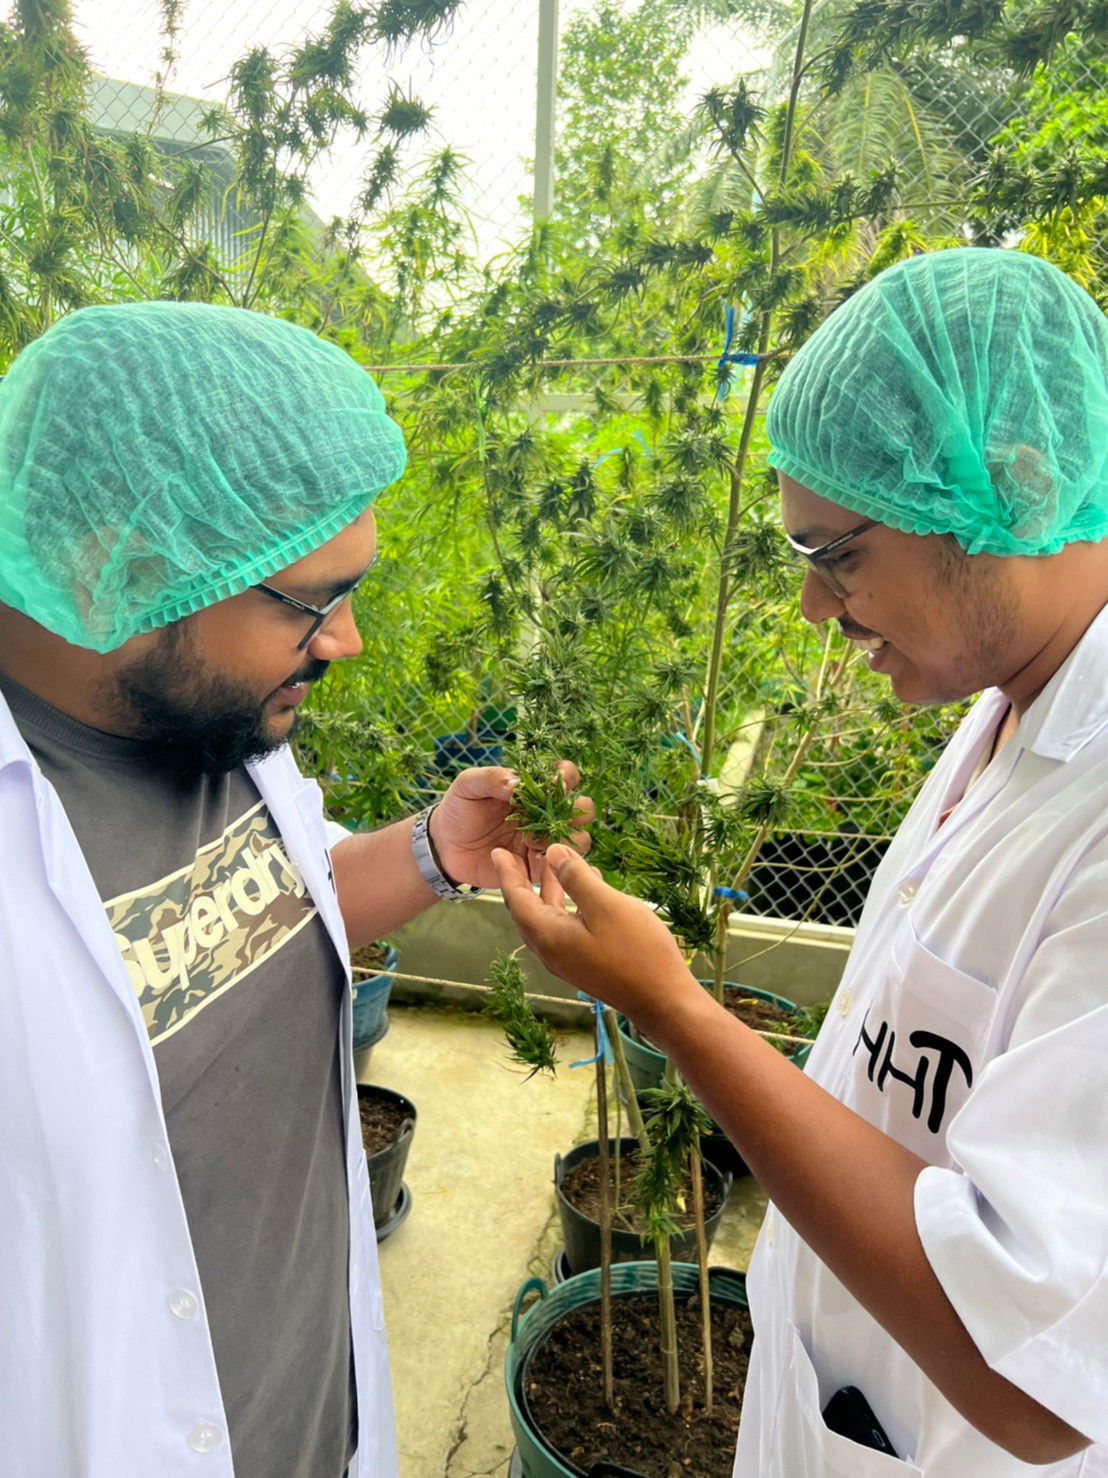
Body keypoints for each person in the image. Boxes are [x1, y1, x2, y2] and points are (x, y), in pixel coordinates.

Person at [493, 248, 1108, 1476]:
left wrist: (670, 1006)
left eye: (834, 553)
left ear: (1014, 489)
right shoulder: (1010, 710)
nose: (817, 609)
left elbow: (1041, 1370)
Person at [0, 301, 591, 1478]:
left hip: (315, 1413)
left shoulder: (216, 724)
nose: (347, 640)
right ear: (120, 559)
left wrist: (432, 849)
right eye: (310, 600)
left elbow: (261, 912)